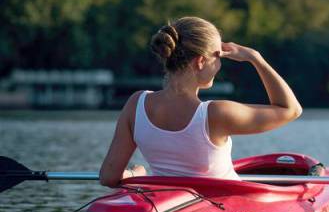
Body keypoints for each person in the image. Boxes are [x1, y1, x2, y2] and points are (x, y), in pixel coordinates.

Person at [99, 16, 303, 187]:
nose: (220, 64)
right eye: (219, 56)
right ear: (201, 61)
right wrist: (256, 58)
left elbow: (109, 177)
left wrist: (136, 176)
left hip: (170, 208)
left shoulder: (136, 104)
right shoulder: (217, 113)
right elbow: (291, 109)